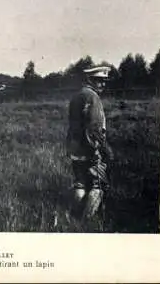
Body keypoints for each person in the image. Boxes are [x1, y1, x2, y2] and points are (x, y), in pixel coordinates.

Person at [66, 66, 114, 220]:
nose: (103, 85)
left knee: (80, 183)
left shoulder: (77, 96)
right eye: (99, 81)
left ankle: (73, 216)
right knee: (98, 185)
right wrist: (101, 148)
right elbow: (94, 128)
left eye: (104, 81)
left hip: (75, 148)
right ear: (90, 80)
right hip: (90, 149)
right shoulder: (93, 97)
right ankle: (86, 221)